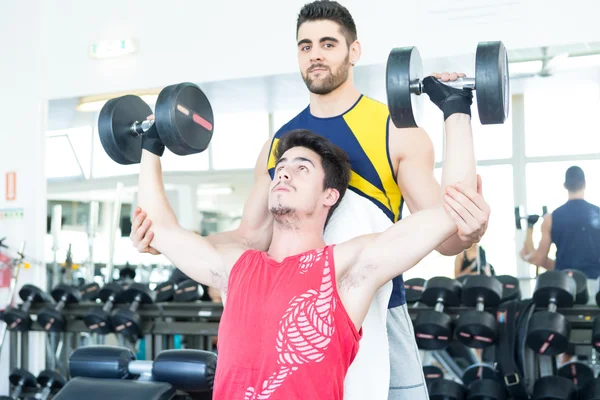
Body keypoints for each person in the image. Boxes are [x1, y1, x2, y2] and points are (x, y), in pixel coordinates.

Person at [131, 2, 491, 398]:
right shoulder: (278, 144)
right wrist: (161, 241)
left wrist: (468, 225)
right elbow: (248, 237)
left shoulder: (394, 130)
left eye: (327, 44)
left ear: (354, 52)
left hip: (369, 297)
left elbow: (446, 232)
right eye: (305, 46)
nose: (315, 54)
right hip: (282, 294)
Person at [520, 166, 600, 280]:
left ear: (565, 185)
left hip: (565, 283)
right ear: (585, 184)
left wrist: (525, 257)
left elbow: (539, 259)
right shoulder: (598, 213)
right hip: (595, 283)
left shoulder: (551, 218)